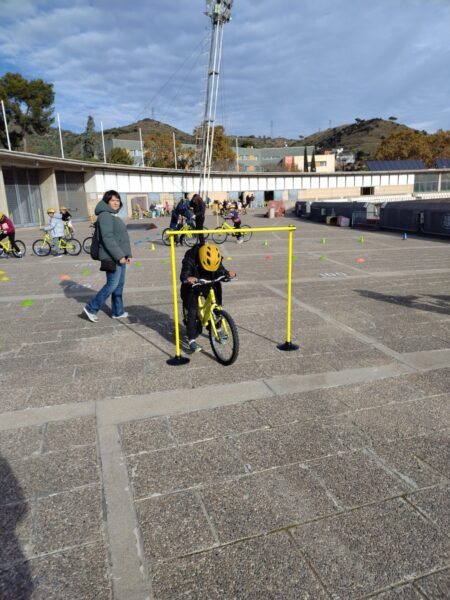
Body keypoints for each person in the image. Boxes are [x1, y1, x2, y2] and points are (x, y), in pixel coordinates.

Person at [83, 190, 132, 322]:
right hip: (111, 256)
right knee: (112, 284)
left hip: (119, 255)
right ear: (107, 202)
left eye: (117, 200)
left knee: (119, 285)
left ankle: (118, 311)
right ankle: (91, 308)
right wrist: (119, 256)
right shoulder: (105, 215)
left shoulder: (113, 215)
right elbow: (107, 238)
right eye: (112, 200)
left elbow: (122, 238)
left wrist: (127, 254)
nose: (116, 203)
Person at [180, 242, 236, 353]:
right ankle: (191, 339)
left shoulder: (215, 258)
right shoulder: (190, 258)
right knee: (192, 310)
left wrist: (227, 273)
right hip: (193, 284)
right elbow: (185, 273)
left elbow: (220, 269)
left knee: (217, 304)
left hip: (208, 281)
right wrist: (188, 278)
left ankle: (218, 328)